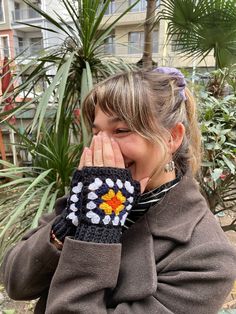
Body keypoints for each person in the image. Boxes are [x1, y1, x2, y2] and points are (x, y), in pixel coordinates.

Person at [2, 68, 236, 314]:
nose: (101, 147)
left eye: (121, 130)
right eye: (96, 133)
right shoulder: (95, 195)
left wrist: (95, 235)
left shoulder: (208, 259)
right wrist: (69, 223)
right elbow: (16, 283)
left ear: (172, 137)